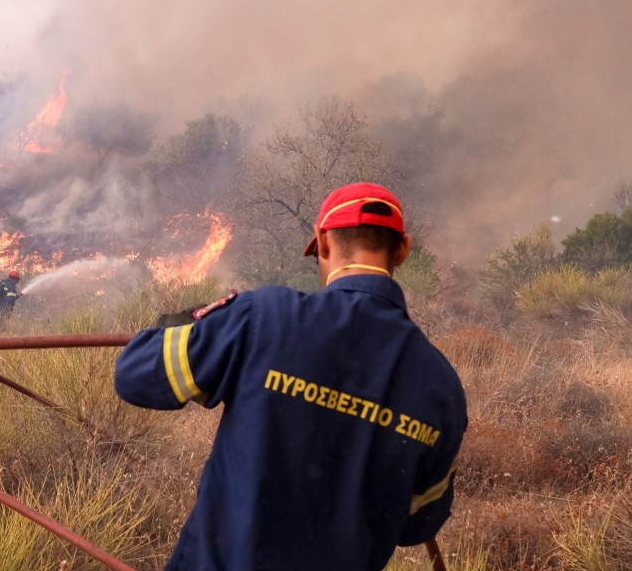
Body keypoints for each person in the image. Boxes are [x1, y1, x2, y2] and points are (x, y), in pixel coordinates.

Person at [114, 182, 467, 570]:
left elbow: (136, 375)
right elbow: (417, 525)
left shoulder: (264, 317)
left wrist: (196, 323)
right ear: (402, 250)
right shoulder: (442, 386)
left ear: (323, 242)